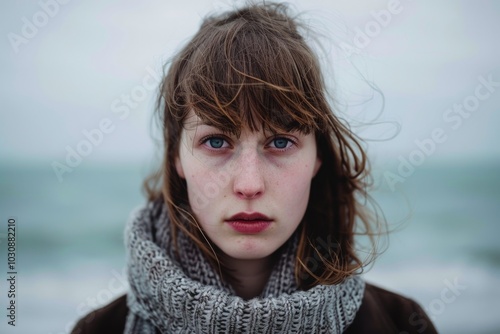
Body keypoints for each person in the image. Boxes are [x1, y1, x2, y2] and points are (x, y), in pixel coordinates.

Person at [72, 2, 437, 333]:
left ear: (317, 157)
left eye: (280, 142)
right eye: (216, 142)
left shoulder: (401, 323)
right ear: (176, 158)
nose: (249, 184)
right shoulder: (100, 330)